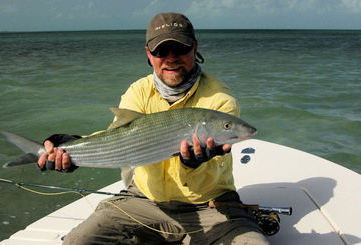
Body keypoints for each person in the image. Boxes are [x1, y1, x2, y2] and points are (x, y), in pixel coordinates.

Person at [38, 12, 269, 245]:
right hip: (145, 199)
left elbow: (218, 165)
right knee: (77, 241)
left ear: (194, 48)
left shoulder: (220, 99)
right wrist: (70, 146)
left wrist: (193, 164)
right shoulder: (137, 91)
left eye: (179, 49)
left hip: (210, 205)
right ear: (149, 54)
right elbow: (116, 139)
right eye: (161, 51)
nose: (171, 59)